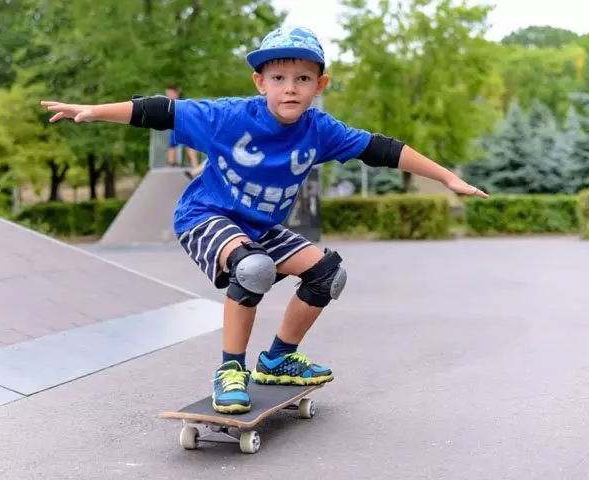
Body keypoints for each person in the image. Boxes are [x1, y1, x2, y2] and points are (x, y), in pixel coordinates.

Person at [40, 26, 489, 415]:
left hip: (258, 226)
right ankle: (230, 369)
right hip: (205, 216)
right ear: (260, 82)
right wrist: (96, 111)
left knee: (327, 274)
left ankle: (277, 360)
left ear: (320, 85)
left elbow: (384, 150)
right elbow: (160, 111)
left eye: (302, 79)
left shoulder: (321, 129)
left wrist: (448, 177)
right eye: (278, 78)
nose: (290, 88)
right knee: (253, 268)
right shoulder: (229, 117)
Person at [164, 83, 202, 179]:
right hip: (175, 126)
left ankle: (195, 164)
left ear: (176, 93)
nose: (169, 96)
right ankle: (171, 163)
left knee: (189, 144)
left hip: (185, 126)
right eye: (167, 94)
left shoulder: (183, 102)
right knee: (172, 143)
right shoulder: (169, 103)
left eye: (170, 94)